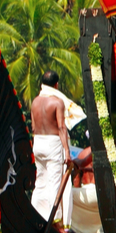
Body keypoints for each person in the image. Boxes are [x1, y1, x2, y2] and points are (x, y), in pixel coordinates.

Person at [29, 71, 75, 223]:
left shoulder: (35, 101)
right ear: (56, 85)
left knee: (40, 182)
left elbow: (34, 127)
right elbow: (62, 127)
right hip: (52, 144)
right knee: (54, 183)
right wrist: (67, 152)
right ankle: (55, 222)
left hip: (38, 142)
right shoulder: (57, 102)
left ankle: (34, 214)